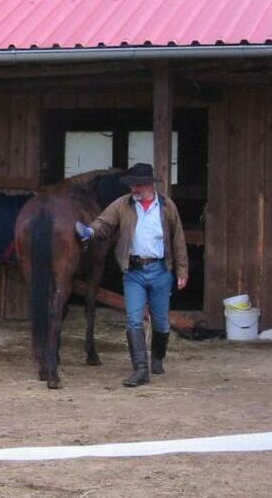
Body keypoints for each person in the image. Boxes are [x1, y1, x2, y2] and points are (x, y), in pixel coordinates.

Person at [74, 163, 188, 387]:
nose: (133, 189)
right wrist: (89, 231)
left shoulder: (166, 207)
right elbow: (104, 222)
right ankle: (140, 369)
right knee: (134, 319)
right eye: (132, 185)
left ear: (148, 185)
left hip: (160, 270)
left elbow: (178, 239)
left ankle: (157, 358)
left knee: (161, 322)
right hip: (133, 270)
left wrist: (182, 270)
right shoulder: (122, 205)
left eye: (137, 185)